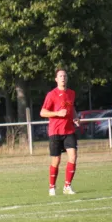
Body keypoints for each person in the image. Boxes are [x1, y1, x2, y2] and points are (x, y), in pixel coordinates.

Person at [40, 68, 80, 196]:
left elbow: (71, 107)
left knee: (73, 156)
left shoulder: (71, 93)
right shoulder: (51, 94)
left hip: (69, 130)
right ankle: (52, 186)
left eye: (65, 76)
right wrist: (57, 113)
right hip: (55, 131)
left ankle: (67, 186)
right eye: (60, 76)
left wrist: (75, 117)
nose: (63, 77)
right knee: (56, 161)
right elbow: (43, 112)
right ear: (56, 79)